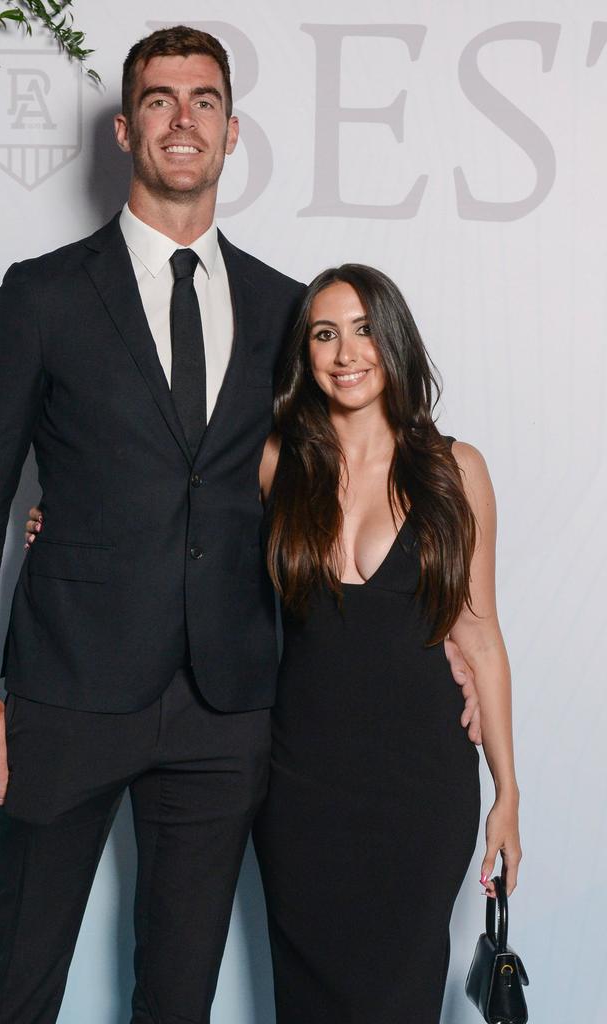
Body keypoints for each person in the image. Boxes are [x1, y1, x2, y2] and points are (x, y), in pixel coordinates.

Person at [0, 25, 479, 1024]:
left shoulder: (284, 310)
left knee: (178, 997)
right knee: (18, 983)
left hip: (229, 712)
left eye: (205, 102)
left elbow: (353, 462)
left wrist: (463, 649)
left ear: (232, 135)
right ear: (125, 131)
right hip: (68, 690)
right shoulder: (42, 296)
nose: (182, 119)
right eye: (159, 99)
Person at [252, 265, 522, 1023]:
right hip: (299, 787)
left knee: (401, 993)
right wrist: (56, 512)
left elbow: (483, 636)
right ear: (304, 355)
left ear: (393, 341)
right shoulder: (275, 464)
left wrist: (507, 792)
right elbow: (164, 509)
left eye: (365, 330)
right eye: (325, 334)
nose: (347, 353)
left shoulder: (454, 471)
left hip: (421, 786)